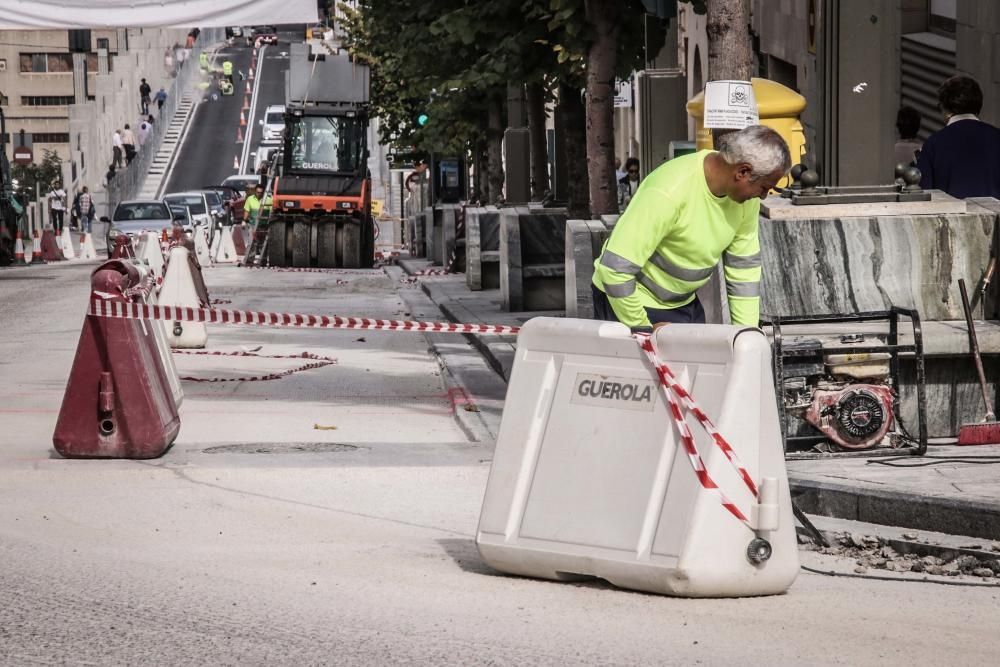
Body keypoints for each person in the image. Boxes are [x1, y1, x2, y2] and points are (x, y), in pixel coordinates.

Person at [592, 125, 791, 329]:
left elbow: (744, 270)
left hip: (682, 303)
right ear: (743, 172)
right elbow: (614, 271)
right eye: (764, 188)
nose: (764, 196)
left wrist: (746, 334)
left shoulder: (747, 201)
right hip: (628, 300)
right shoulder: (669, 190)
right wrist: (644, 329)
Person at [917, 75, 1000, 198]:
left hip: (951, 215)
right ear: (979, 106)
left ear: (945, 109)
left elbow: (925, 193)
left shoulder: (934, 143)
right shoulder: (996, 137)